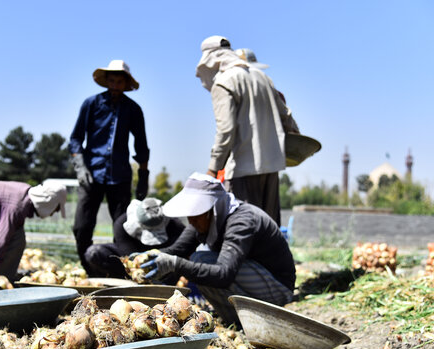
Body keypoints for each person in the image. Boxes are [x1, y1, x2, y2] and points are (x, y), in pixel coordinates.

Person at [140, 173, 296, 325]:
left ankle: (241, 321)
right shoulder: (203, 219)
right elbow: (178, 249)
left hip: (278, 289)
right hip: (254, 278)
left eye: (196, 214)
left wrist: (175, 264)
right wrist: (148, 257)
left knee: (200, 260)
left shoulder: (241, 221)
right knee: (198, 262)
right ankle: (234, 318)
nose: (191, 221)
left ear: (212, 209)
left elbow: (224, 274)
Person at [196, 35, 299, 226]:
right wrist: (296, 143)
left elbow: (226, 130)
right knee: (269, 229)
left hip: (243, 167)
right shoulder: (262, 77)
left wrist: (213, 169)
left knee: (243, 228)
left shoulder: (224, 81)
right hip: (271, 166)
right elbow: (285, 116)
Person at [69, 59, 150, 275]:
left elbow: (141, 145)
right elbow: (76, 139)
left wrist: (143, 177)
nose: (115, 86)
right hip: (91, 174)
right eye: (111, 81)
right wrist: (80, 166)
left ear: (125, 84)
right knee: (81, 226)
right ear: (106, 82)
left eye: (119, 82)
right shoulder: (91, 104)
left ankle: (118, 272)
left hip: (120, 176)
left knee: (122, 228)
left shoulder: (133, 110)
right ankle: (91, 271)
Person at [83, 197, 185, 278]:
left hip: (163, 261)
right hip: (130, 258)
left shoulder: (175, 226)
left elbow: (182, 251)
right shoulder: (122, 223)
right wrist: (137, 269)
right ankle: (118, 281)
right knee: (94, 253)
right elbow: (129, 255)